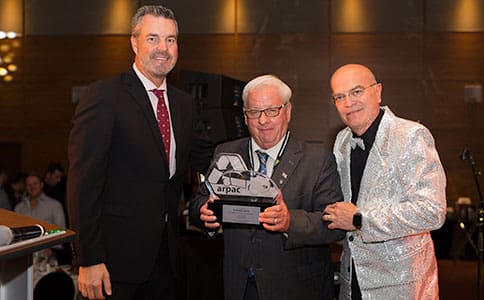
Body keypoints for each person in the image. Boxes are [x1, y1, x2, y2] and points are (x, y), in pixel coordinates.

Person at [67, 5, 213, 300]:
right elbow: (83, 183)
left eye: (171, 40)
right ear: (134, 43)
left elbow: (207, 158)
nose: (163, 48)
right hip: (112, 265)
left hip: (167, 260)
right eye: (153, 38)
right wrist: (89, 258)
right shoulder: (104, 97)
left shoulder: (184, 104)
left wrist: (259, 161)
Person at [189, 74, 345, 300]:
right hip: (239, 287)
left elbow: (334, 224)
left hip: (296, 289)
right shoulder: (226, 153)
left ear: (288, 111)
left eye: (272, 110)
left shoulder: (317, 160)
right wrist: (203, 215)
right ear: (244, 117)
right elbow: (197, 204)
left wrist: (290, 221)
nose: (263, 120)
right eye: (254, 112)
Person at [323, 64, 447, 299]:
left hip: (401, 283)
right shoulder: (341, 140)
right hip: (353, 279)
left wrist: (360, 219)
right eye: (340, 97)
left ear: (378, 91)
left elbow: (433, 211)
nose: (348, 103)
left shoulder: (411, 135)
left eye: (356, 92)